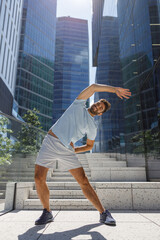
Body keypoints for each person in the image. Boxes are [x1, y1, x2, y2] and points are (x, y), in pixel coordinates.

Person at [34, 83, 131, 226]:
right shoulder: (78, 105)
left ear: (100, 113)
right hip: (50, 142)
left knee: (83, 181)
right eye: (97, 103)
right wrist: (114, 89)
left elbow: (90, 145)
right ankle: (47, 212)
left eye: (100, 108)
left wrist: (75, 150)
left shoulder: (92, 126)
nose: (97, 106)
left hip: (67, 149)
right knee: (38, 178)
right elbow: (93, 87)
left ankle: (103, 213)